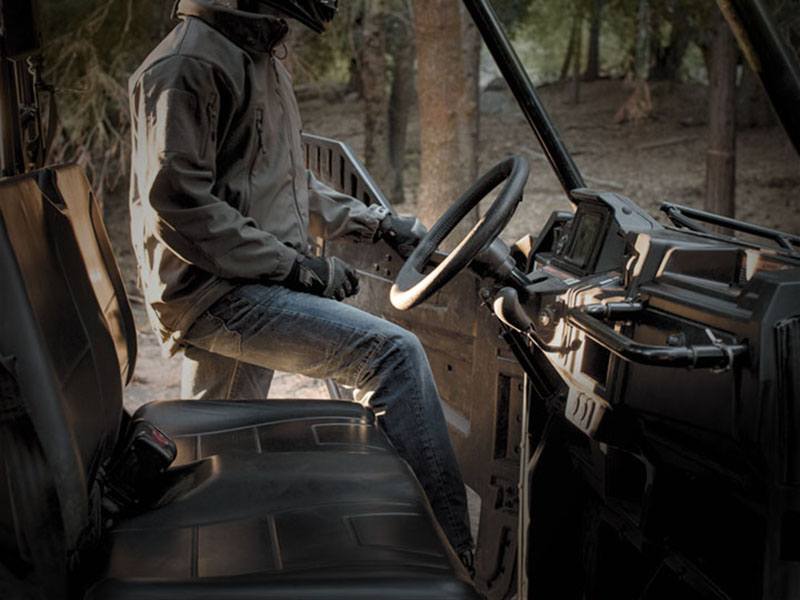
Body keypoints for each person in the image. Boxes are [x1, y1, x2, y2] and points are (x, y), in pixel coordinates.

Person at [128, 0, 474, 569]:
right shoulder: (187, 65)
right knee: (393, 355)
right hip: (219, 294)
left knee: (220, 442)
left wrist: (375, 221)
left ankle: (212, 562)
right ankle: (452, 559)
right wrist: (296, 269)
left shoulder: (258, 56)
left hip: (241, 278)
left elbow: (287, 181)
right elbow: (181, 204)